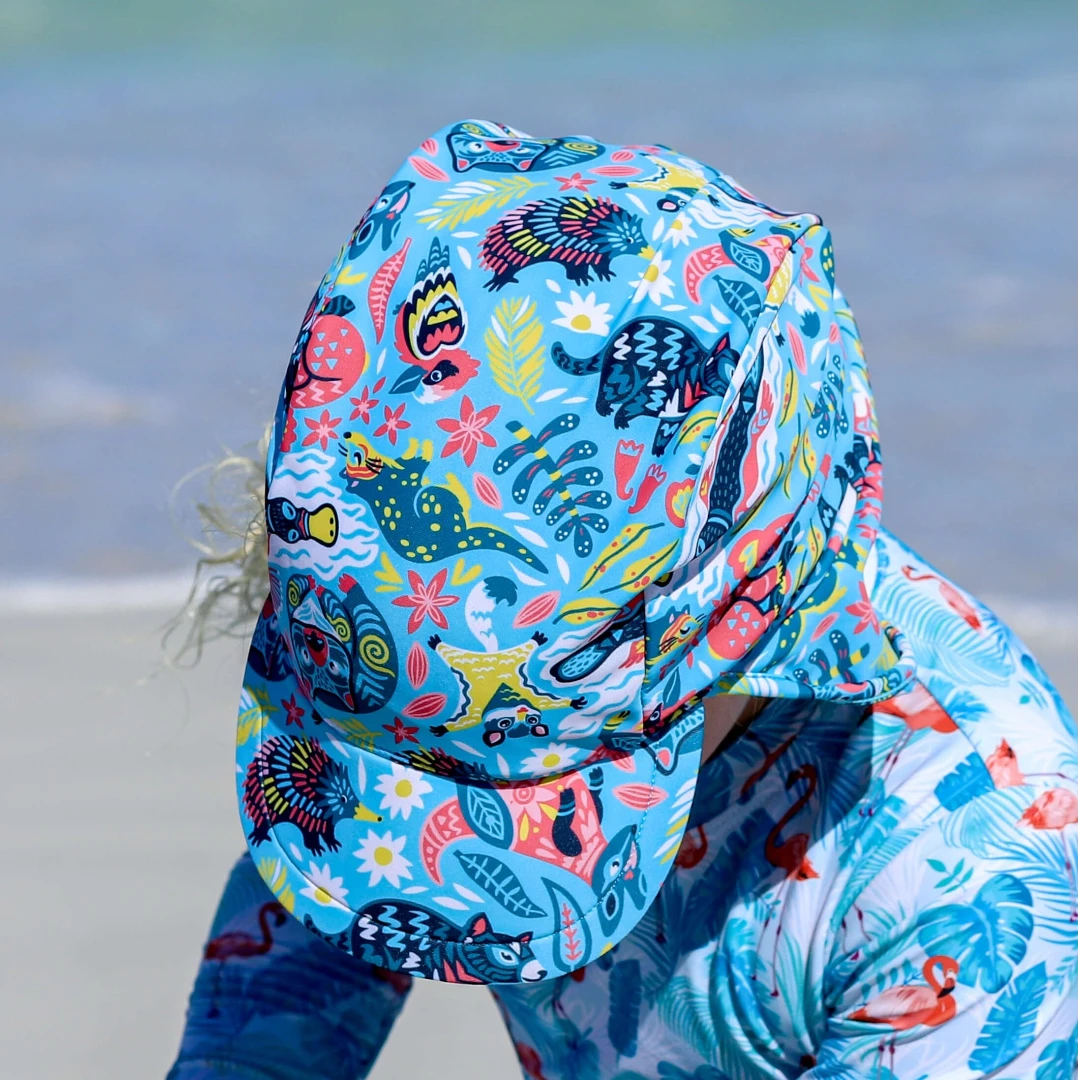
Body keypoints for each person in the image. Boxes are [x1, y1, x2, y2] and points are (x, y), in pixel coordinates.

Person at [166, 120, 1078, 1080]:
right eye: (414, 759)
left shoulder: (958, 857)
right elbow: (340, 885)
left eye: (510, 785)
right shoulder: (406, 672)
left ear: (739, 632)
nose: (431, 796)